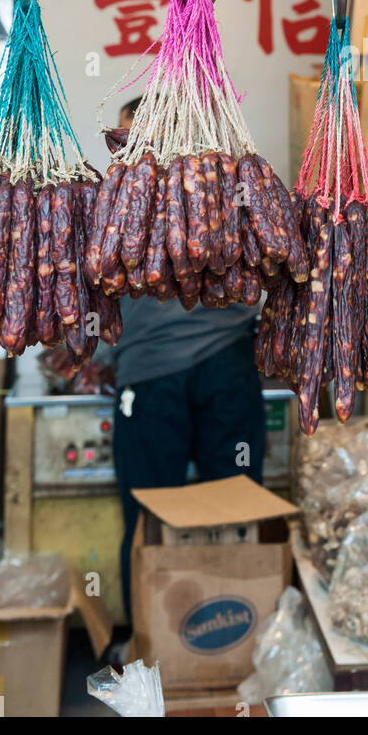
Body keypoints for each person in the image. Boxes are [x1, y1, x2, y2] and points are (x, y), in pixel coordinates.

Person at [111, 98, 266, 624]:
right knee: (235, 504)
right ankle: (231, 638)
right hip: (222, 369)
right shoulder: (223, 177)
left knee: (152, 513)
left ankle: (154, 645)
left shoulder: (126, 186)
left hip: (164, 378)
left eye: (129, 134)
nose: (126, 145)